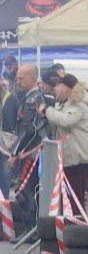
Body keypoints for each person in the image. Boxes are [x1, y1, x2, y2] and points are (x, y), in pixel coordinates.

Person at [8, 64, 48, 242]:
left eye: (21, 78)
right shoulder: (31, 97)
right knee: (30, 190)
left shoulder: (33, 99)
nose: (17, 81)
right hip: (35, 152)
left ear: (33, 78)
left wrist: (15, 153)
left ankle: (31, 232)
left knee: (24, 191)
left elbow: (29, 129)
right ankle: (32, 231)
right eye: (16, 78)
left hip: (32, 153)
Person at [39, 74, 88, 213]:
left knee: (75, 199)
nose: (54, 89)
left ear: (65, 88)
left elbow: (65, 120)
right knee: (68, 198)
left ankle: (75, 229)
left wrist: (47, 110)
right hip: (68, 159)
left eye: (56, 86)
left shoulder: (78, 105)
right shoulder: (66, 105)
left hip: (76, 160)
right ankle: (68, 227)